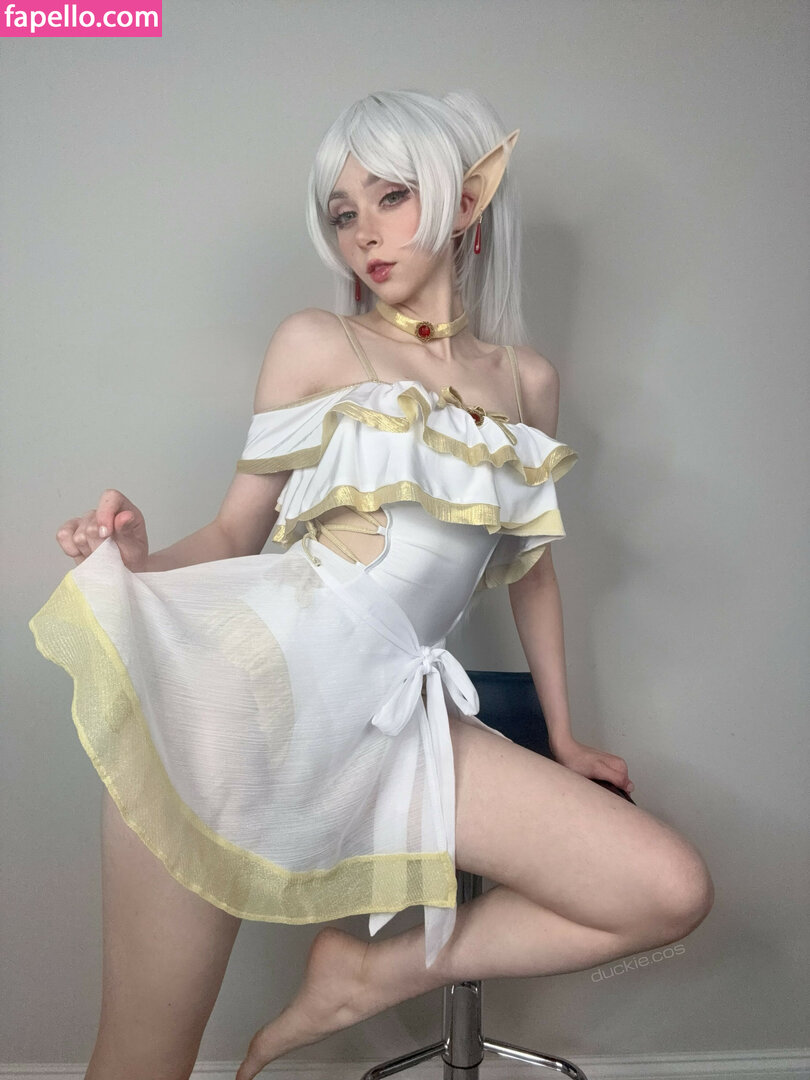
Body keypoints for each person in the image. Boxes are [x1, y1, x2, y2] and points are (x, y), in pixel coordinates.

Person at [29, 89, 714, 1080]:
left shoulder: (528, 382)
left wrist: (566, 737)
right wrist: (137, 558)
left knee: (665, 888)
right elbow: (235, 530)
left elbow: (533, 572)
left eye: (392, 197)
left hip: (402, 716)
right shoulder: (318, 343)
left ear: (465, 201)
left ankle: (368, 974)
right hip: (239, 701)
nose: (365, 234)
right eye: (344, 212)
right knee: (144, 1059)